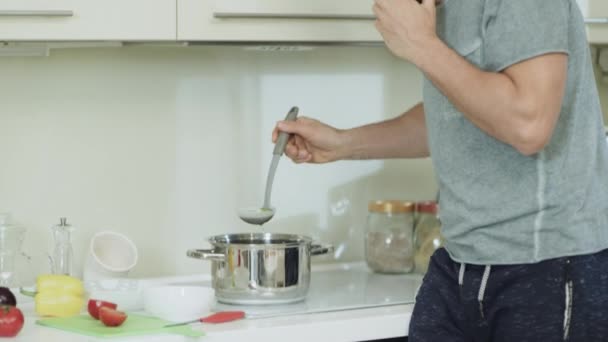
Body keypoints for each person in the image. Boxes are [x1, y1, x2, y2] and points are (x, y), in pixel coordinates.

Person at [272, 0, 608, 340]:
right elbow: (457, 116)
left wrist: (421, 44)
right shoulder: (445, 8)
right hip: (461, 262)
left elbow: (528, 124)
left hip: (547, 268)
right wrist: (343, 143)